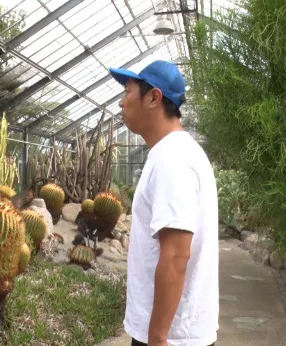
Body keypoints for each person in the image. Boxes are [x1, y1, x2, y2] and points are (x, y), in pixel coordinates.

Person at [108, 60, 219, 346]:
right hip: (175, 332)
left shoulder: (173, 159)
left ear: (154, 98)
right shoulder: (171, 153)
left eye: (127, 92)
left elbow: (176, 255)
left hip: (171, 337)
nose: (121, 103)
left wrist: (157, 337)